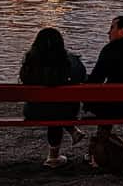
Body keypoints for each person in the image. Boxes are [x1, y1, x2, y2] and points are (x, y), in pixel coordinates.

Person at [19, 28, 87, 167]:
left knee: (51, 106)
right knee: (57, 108)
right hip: (66, 111)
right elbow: (83, 77)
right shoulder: (71, 62)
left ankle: (55, 154)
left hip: (34, 112)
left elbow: (25, 79)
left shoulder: (30, 64)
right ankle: (55, 155)